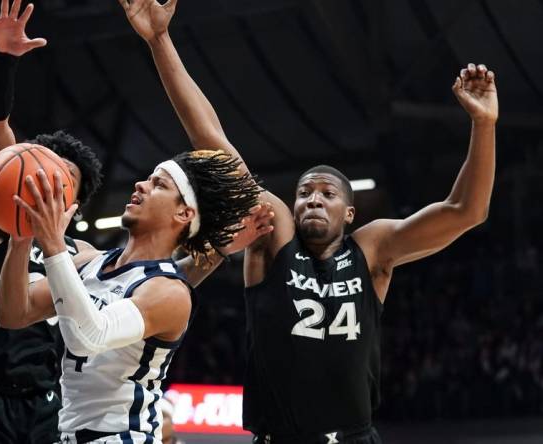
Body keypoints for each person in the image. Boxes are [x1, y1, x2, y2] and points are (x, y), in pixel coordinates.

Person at [121, 0, 499, 442]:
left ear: (350, 213)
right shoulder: (275, 236)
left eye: (327, 194)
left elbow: (466, 212)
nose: (312, 200)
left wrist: (484, 125)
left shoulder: (372, 247)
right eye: (303, 193)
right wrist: (160, 40)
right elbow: (213, 142)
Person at [0, 148, 265, 443]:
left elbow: (90, 337)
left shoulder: (169, 292)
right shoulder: (88, 261)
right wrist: (19, 240)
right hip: (69, 434)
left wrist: (53, 245)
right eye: (148, 179)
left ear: (184, 213)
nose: (140, 185)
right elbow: (14, 313)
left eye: (159, 184)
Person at [0, 1, 103, 443]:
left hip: (47, 403)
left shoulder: (83, 256)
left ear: (75, 203)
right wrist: (5, 60)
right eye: (42, 168)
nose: (47, 181)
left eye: (63, 178)